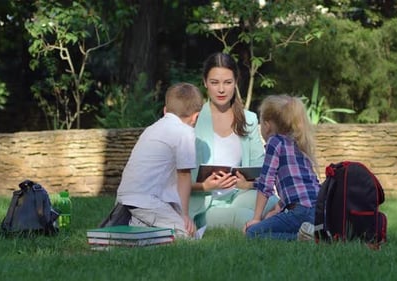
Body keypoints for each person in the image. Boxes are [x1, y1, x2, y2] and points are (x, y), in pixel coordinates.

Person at [189, 52, 277, 231]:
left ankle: (272, 220)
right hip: (207, 203)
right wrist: (206, 186)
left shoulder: (249, 119)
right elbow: (178, 181)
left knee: (276, 202)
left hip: (239, 194)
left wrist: (247, 184)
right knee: (247, 217)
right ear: (205, 82)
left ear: (236, 82)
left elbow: (261, 171)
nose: (221, 90)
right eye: (214, 83)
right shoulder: (193, 120)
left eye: (227, 82)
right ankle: (272, 224)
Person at [115, 82, 203, 239]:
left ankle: (137, 227)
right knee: (189, 235)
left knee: (172, 225)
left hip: (126, 197)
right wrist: (184, 215)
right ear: (196, 117)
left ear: (165, 111)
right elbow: (184, 175)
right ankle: (138, 234)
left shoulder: (152, 128)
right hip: (146, 200)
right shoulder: (185, 132)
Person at [242, 94, 321, 240]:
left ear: (266, 125)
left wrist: (256, 219)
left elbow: (266, 185)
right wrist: (277, 209)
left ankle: (300, 239)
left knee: (253, 233)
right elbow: (296, 185)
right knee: (275, 221)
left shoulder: (275, 142)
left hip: (300, 211)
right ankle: (312, 235)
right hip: (320, 210)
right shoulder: (300, 143)